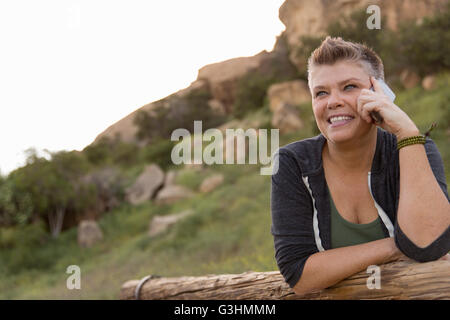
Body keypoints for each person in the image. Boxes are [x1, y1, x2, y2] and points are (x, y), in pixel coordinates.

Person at [270, 36, 450, 295]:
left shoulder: (414, 148)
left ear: (380, 93)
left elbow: (429, 244)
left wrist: (407, 132)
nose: (333, 101)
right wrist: (397, 246)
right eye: (321, 92)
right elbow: (298, 273)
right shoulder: (292, 163)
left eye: (349, 87)